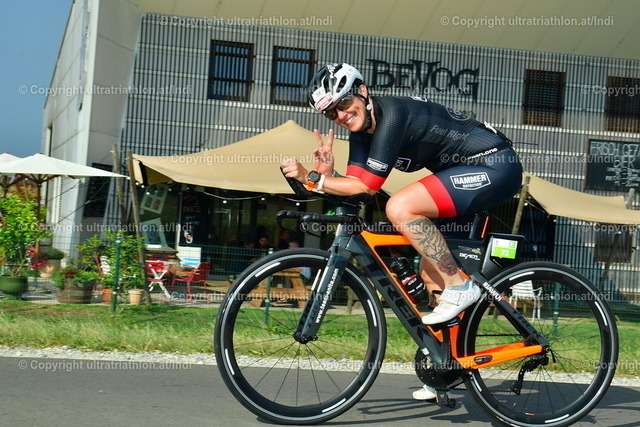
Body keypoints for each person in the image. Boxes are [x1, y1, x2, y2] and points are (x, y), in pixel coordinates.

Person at [281, 63, 523, 401]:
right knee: (430, 270)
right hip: (462, 173)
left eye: (344, 103)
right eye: (331, 112)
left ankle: (461, 286)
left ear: (362, 91)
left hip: (493, 164)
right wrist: (329, 176)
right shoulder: (362, 132)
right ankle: (446, 366)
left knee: (400, 207)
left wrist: (313, 178)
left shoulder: (392, 116)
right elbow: (357, 191)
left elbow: (367, 185)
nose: (341, 115)